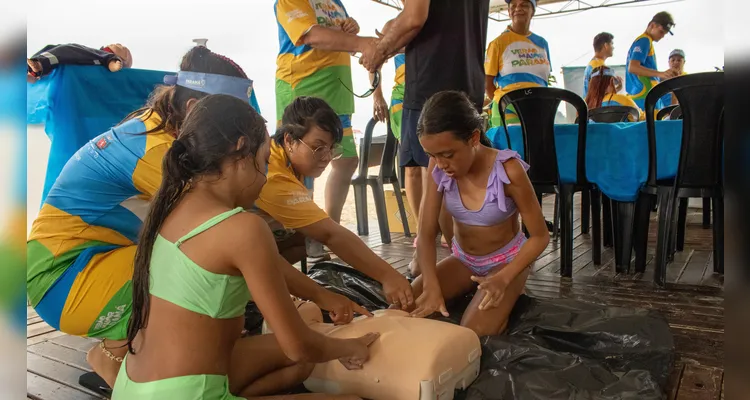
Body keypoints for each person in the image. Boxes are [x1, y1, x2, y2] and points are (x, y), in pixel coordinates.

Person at [26, 46, 363, 389]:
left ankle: (123, 357)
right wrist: (322, 297)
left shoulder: (166, 139)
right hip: (64, 277)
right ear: (194, 110)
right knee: (206, 283)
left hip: (88, 263)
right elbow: (243, 250)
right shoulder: (157, 153)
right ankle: (116, 359)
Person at [115, 94, 376, 399]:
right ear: (240, 151)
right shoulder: (245, 228)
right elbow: (299, 345)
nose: (265, 178)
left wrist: (322, 296)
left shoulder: (169, 206)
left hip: (132, 387)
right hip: (188, 393)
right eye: (265, 162)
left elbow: (268, 266)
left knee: (297, 363)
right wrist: (350, 346)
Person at [359, 0, 489, 276]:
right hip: (469, 78)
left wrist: (378, 51)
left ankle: (443, 251)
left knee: (436, 172)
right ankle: (465, 251)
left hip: (429, 80)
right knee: (455, 169)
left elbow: (415, 17)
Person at [406, 91, 549, 337]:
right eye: (432, 156)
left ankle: (511, 294)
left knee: (471, 335)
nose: (440, 164)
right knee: (404, 308)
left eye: (448, 155)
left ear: (473, 138)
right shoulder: (438, 168)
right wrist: (430, 284)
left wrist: (505, 278)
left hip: (507, 262)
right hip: (464, 260)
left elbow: (540, 237)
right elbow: (426, 232)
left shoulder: (508, 170)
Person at [255, 96, 415, 309]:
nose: (326, 157)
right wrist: (389, 276)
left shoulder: (290, 161)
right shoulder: (274, 177)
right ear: (289, 141)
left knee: (302, 238)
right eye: (318, 147)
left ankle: (265, 282)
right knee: (306, 237)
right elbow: (331, 234)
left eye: (331, 148)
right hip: (235, 249)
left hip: (252, 242)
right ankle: (257, 289)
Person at [274, 0, 373, 262]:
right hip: (305, 86)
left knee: (347, 158)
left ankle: (328, 228)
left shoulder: (334, 1)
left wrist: (351, 28)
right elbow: (311, 35)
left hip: (338, 90)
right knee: (303, 162)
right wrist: (362, 42)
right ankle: (307, 231)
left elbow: (339, 34)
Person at [484, 0, 551, 127]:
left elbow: (544, 78)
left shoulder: (542, 43)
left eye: (524, 5)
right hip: (509, 108)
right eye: (513, 6)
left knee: (539, 146)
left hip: (539, 107)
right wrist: (506, 102)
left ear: (533, 12)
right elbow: (487, 83)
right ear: (509, 12)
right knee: (513, 146)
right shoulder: (498, 43)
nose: (518, 8)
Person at [625, 11, 678, 109]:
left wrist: (665, 76)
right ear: (652, 25)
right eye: (661, 32)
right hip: (644, 95)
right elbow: (633, 67)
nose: (662, 36)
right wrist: (660, 73)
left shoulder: (645, 41)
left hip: (645, 93)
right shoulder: (644, 40)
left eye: (665, 34)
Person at [27, 43, 133, 82]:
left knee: (68, 49)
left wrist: (112, 61)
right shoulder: (97, 52)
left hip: (97, 59)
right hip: (90, 57)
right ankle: (31, 70)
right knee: (52, 47)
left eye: (121, 47)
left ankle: (38, 66)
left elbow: (109, 59)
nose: (117, 43)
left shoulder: (104, 56)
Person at [583, 32, 615, 97]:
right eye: (611, 44)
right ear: (606, 45)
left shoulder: (592, 64)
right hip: (598, 106)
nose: (613, 47)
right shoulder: (601, 68)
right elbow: (604, 97)